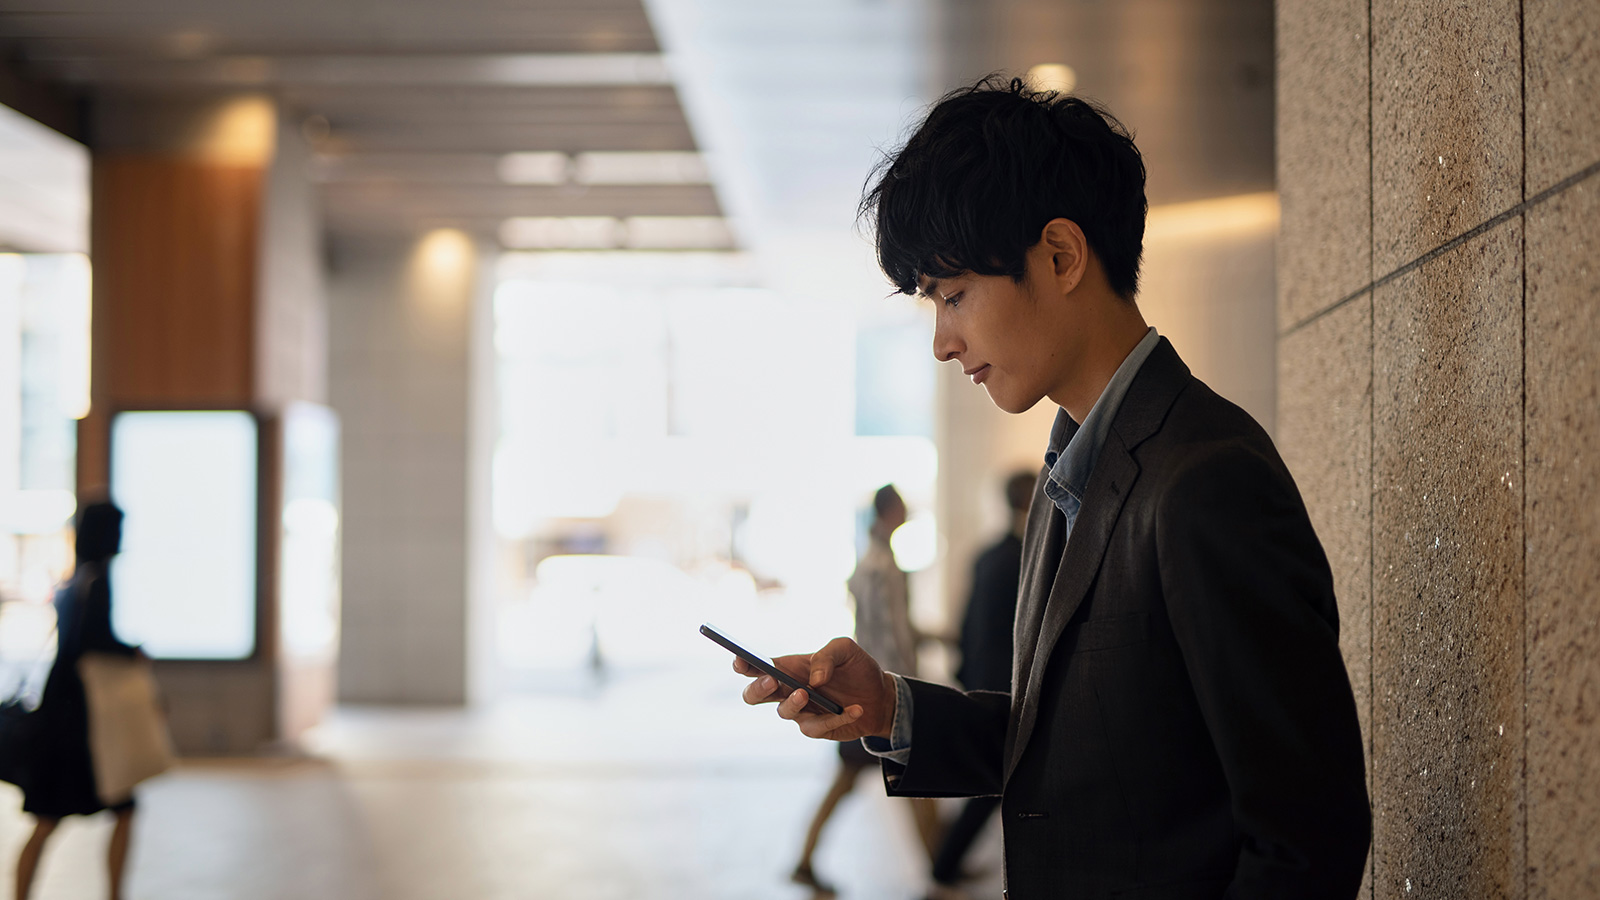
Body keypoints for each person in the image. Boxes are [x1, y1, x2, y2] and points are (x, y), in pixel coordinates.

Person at [736, 77, 1371, 899]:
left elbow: (1307, 835)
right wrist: (890, 707)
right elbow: (1072, 752)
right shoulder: (1071, 473)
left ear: (1062, 256)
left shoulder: (1207, 480)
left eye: (954, 295)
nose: (942, 342)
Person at [790, 485, 939, 894]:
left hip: (868, 690)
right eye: (902, 508)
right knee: (916, 777)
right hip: (884, 693)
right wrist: (908, 687)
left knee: (856, 782)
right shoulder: (883, 567)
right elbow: (893, 636)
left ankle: (805, 860)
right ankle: (942, 867)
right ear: (891, 510)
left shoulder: (869, 561)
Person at [16, 500, 141, 900]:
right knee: (119, 810)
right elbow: (93, 642)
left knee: (47, 820)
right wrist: (133, 652)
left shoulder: (74, 582)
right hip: (81, 726)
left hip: (60, 717)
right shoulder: (98, 580)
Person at [924, 470, 1034, 899]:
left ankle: (946, 864)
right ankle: (945, 865)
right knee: (995, 778)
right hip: (1008, 682)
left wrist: (966, 671)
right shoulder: (1027, 555)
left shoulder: (988, 555)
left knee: (993, 777)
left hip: (984, 677)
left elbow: (968, 622)